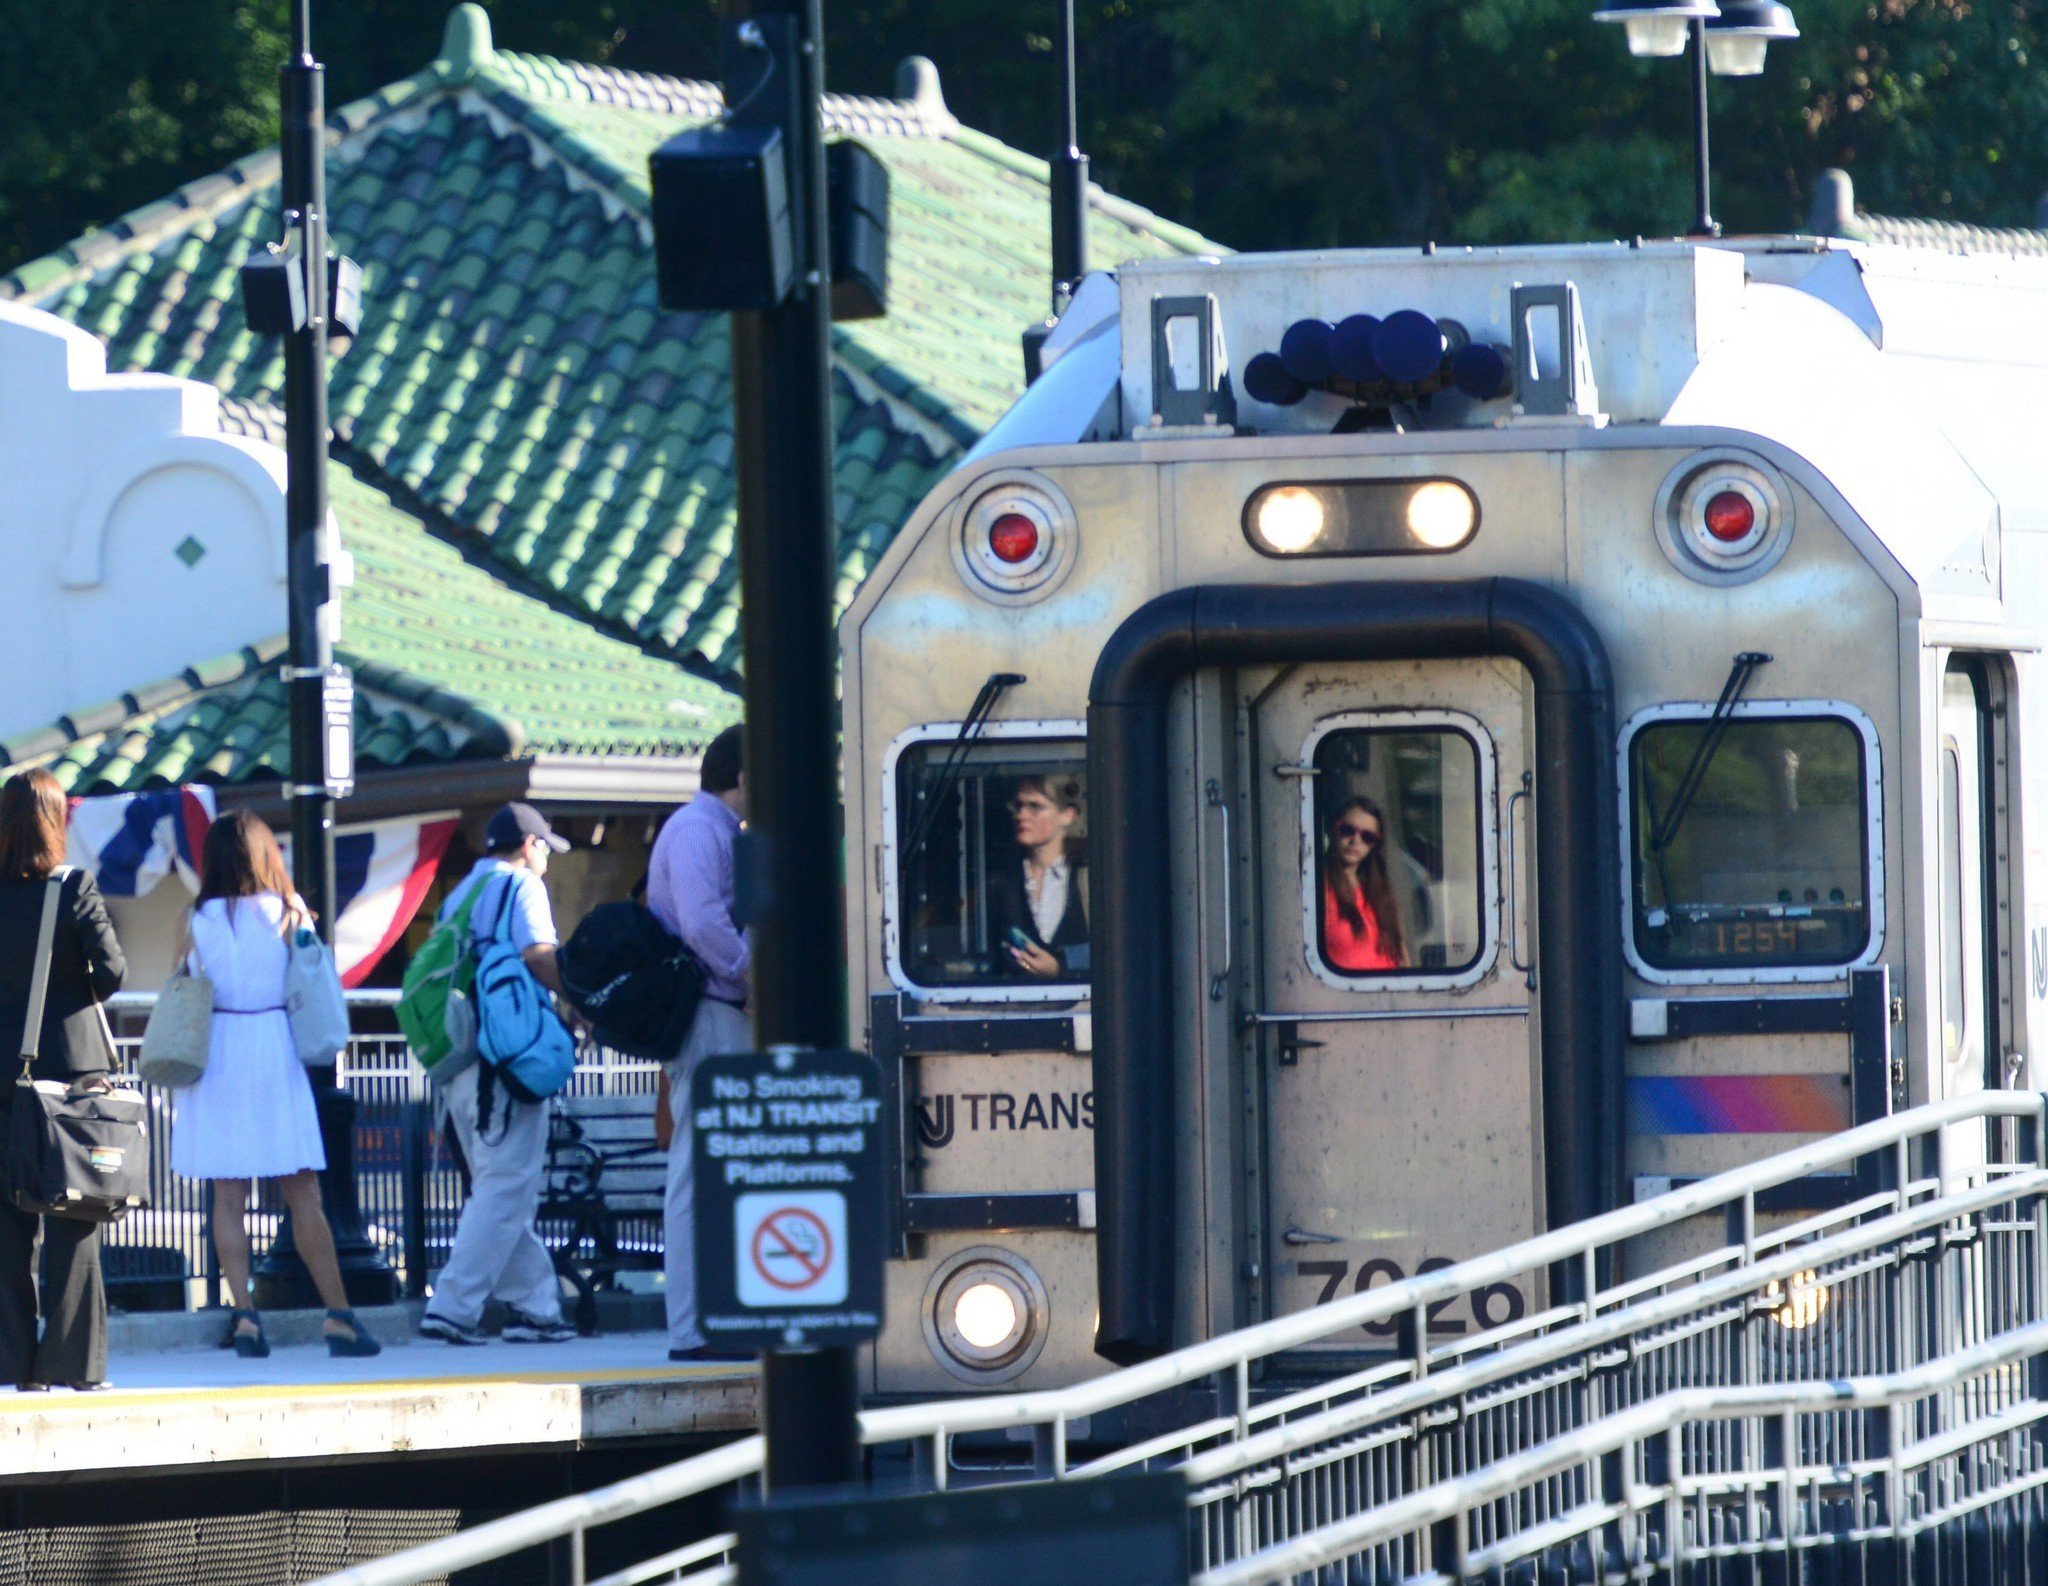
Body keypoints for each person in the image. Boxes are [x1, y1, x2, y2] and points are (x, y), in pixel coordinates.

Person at [173, 809, 380, 1360]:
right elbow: (314, 980)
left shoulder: (195, 918)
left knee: (227, 1196)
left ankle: (245, 1316)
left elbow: (185, 983)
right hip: (273, 1046)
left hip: (218, 1051)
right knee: (302, 1191)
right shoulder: (290, 914)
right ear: (267, 855)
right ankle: (338, 1315)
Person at [419, 803, 578, 1346]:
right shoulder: (521, 887)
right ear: (530, 846)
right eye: (544, 849)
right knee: (507, 1186)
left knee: (498, 1188)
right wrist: (577, 998)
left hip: (458, 1060)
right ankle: (452, 1307)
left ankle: (538, 1308)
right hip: (507, 1061)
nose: (545, 861)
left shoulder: (460, 893)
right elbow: (537, 955)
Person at [0, 770, 125, 1391]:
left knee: (7, 1226)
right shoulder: (72, 887)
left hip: (3, 1080)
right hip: (71, 1078)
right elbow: (114, 970)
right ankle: (74, 1364)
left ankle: (15, 1366)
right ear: (56, 821)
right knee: (74, 1218)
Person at [647, 724, 751, 1362]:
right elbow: (701, 919)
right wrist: (750, 969)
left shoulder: (710, 828)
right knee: (698, 1168)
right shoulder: (697, 829)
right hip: (711, 1008)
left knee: (713, 1167)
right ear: (745, 776)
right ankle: (693, 1326)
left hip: (716, 1010)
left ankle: (712, 1317)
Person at [986, 773, 1089, 979]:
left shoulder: (1088, 879)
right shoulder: (1004, 882)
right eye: (1017, 806)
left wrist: (1061, 967)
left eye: (1035, 807)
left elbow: (1113, 947)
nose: (1021, 815)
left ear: (1067, 816)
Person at [1321, 796, 1407, 973]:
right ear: (1333, 830)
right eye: (1347, 830)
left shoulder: (1381, 893)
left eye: (1367, 836)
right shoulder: (1315, 890)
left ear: (1375, 844)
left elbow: (1401, 955)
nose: (1355, 840)